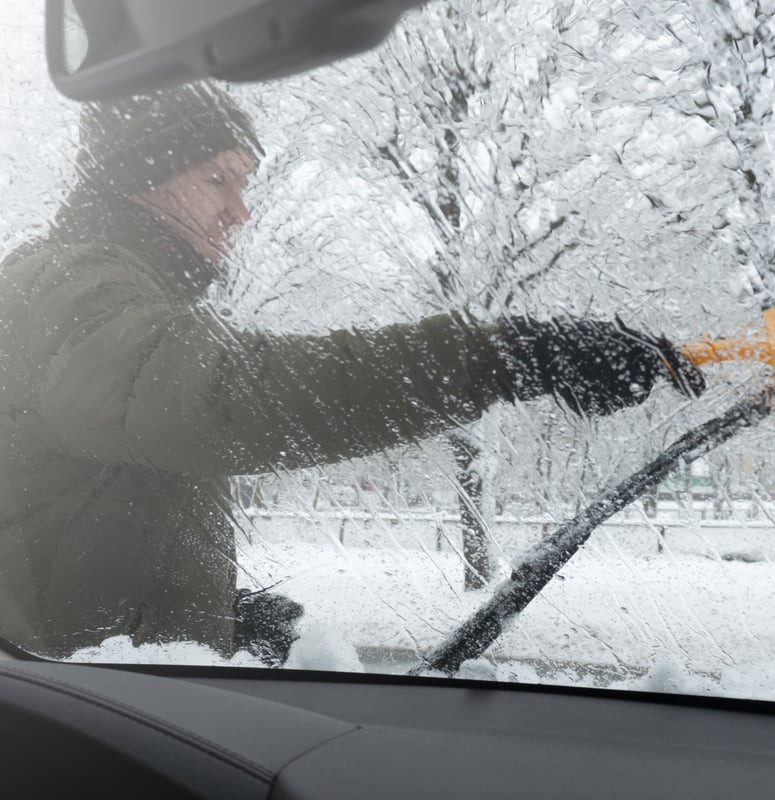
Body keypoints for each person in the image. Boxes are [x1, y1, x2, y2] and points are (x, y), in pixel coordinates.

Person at [0, 84, 704, 664]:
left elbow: (72, 502)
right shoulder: (72, 287)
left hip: (98, 695)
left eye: (244, 184)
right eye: (217, 180)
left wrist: (211, 616)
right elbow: (231, 397)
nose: (240, 212)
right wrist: (501, 358)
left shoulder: (98, 295)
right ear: (136, 182)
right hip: (75, 719)